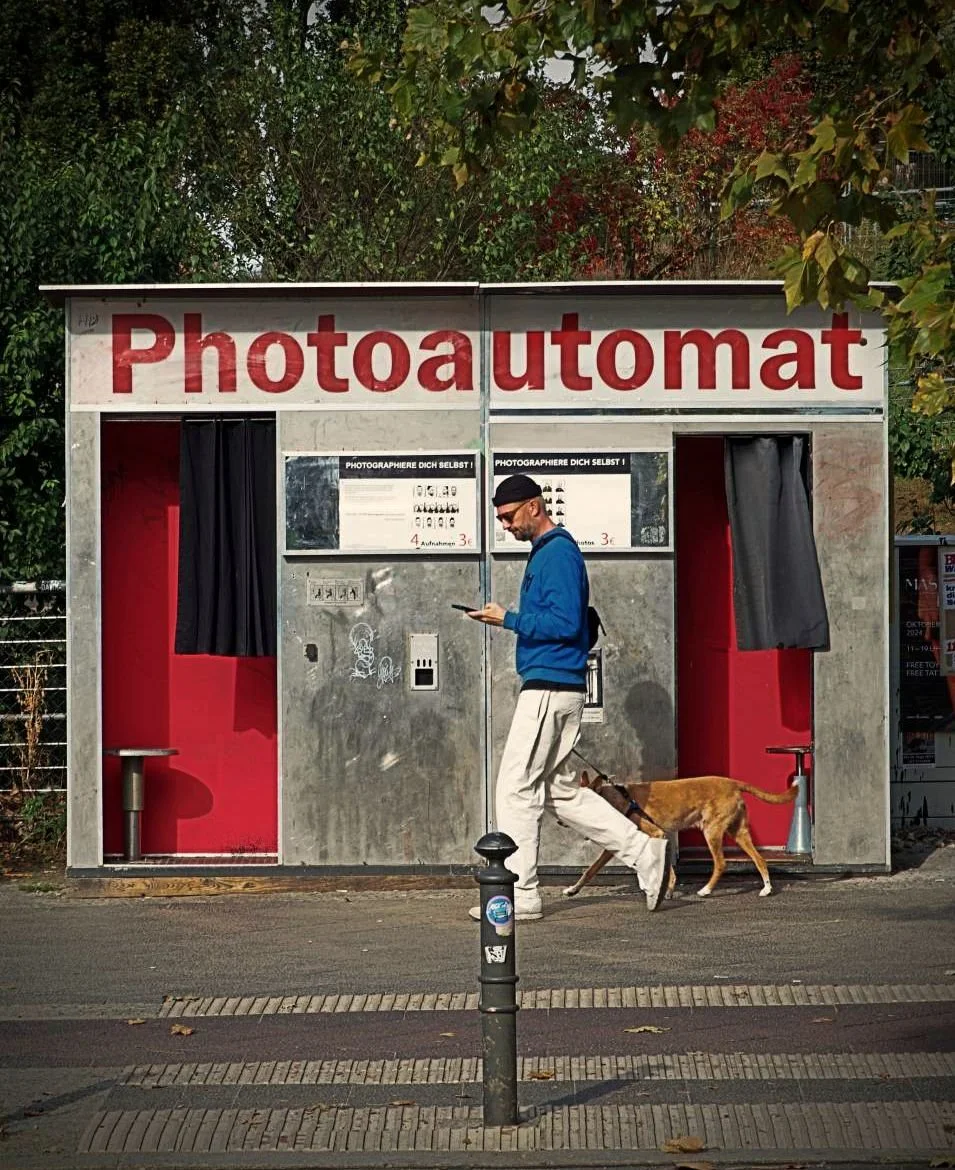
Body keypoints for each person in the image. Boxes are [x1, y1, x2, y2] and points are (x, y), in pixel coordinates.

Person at [466, 473, 671, 922]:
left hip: (549, 686)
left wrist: (509, 619)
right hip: (560, 686)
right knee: (557, 793)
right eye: (501, 518)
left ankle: (520, 894)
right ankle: (644, 850)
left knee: (515, 788)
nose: (506, 526)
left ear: (535, 506)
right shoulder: (552, 552)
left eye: (509, 516)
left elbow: (564, 623)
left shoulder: (557, 553)